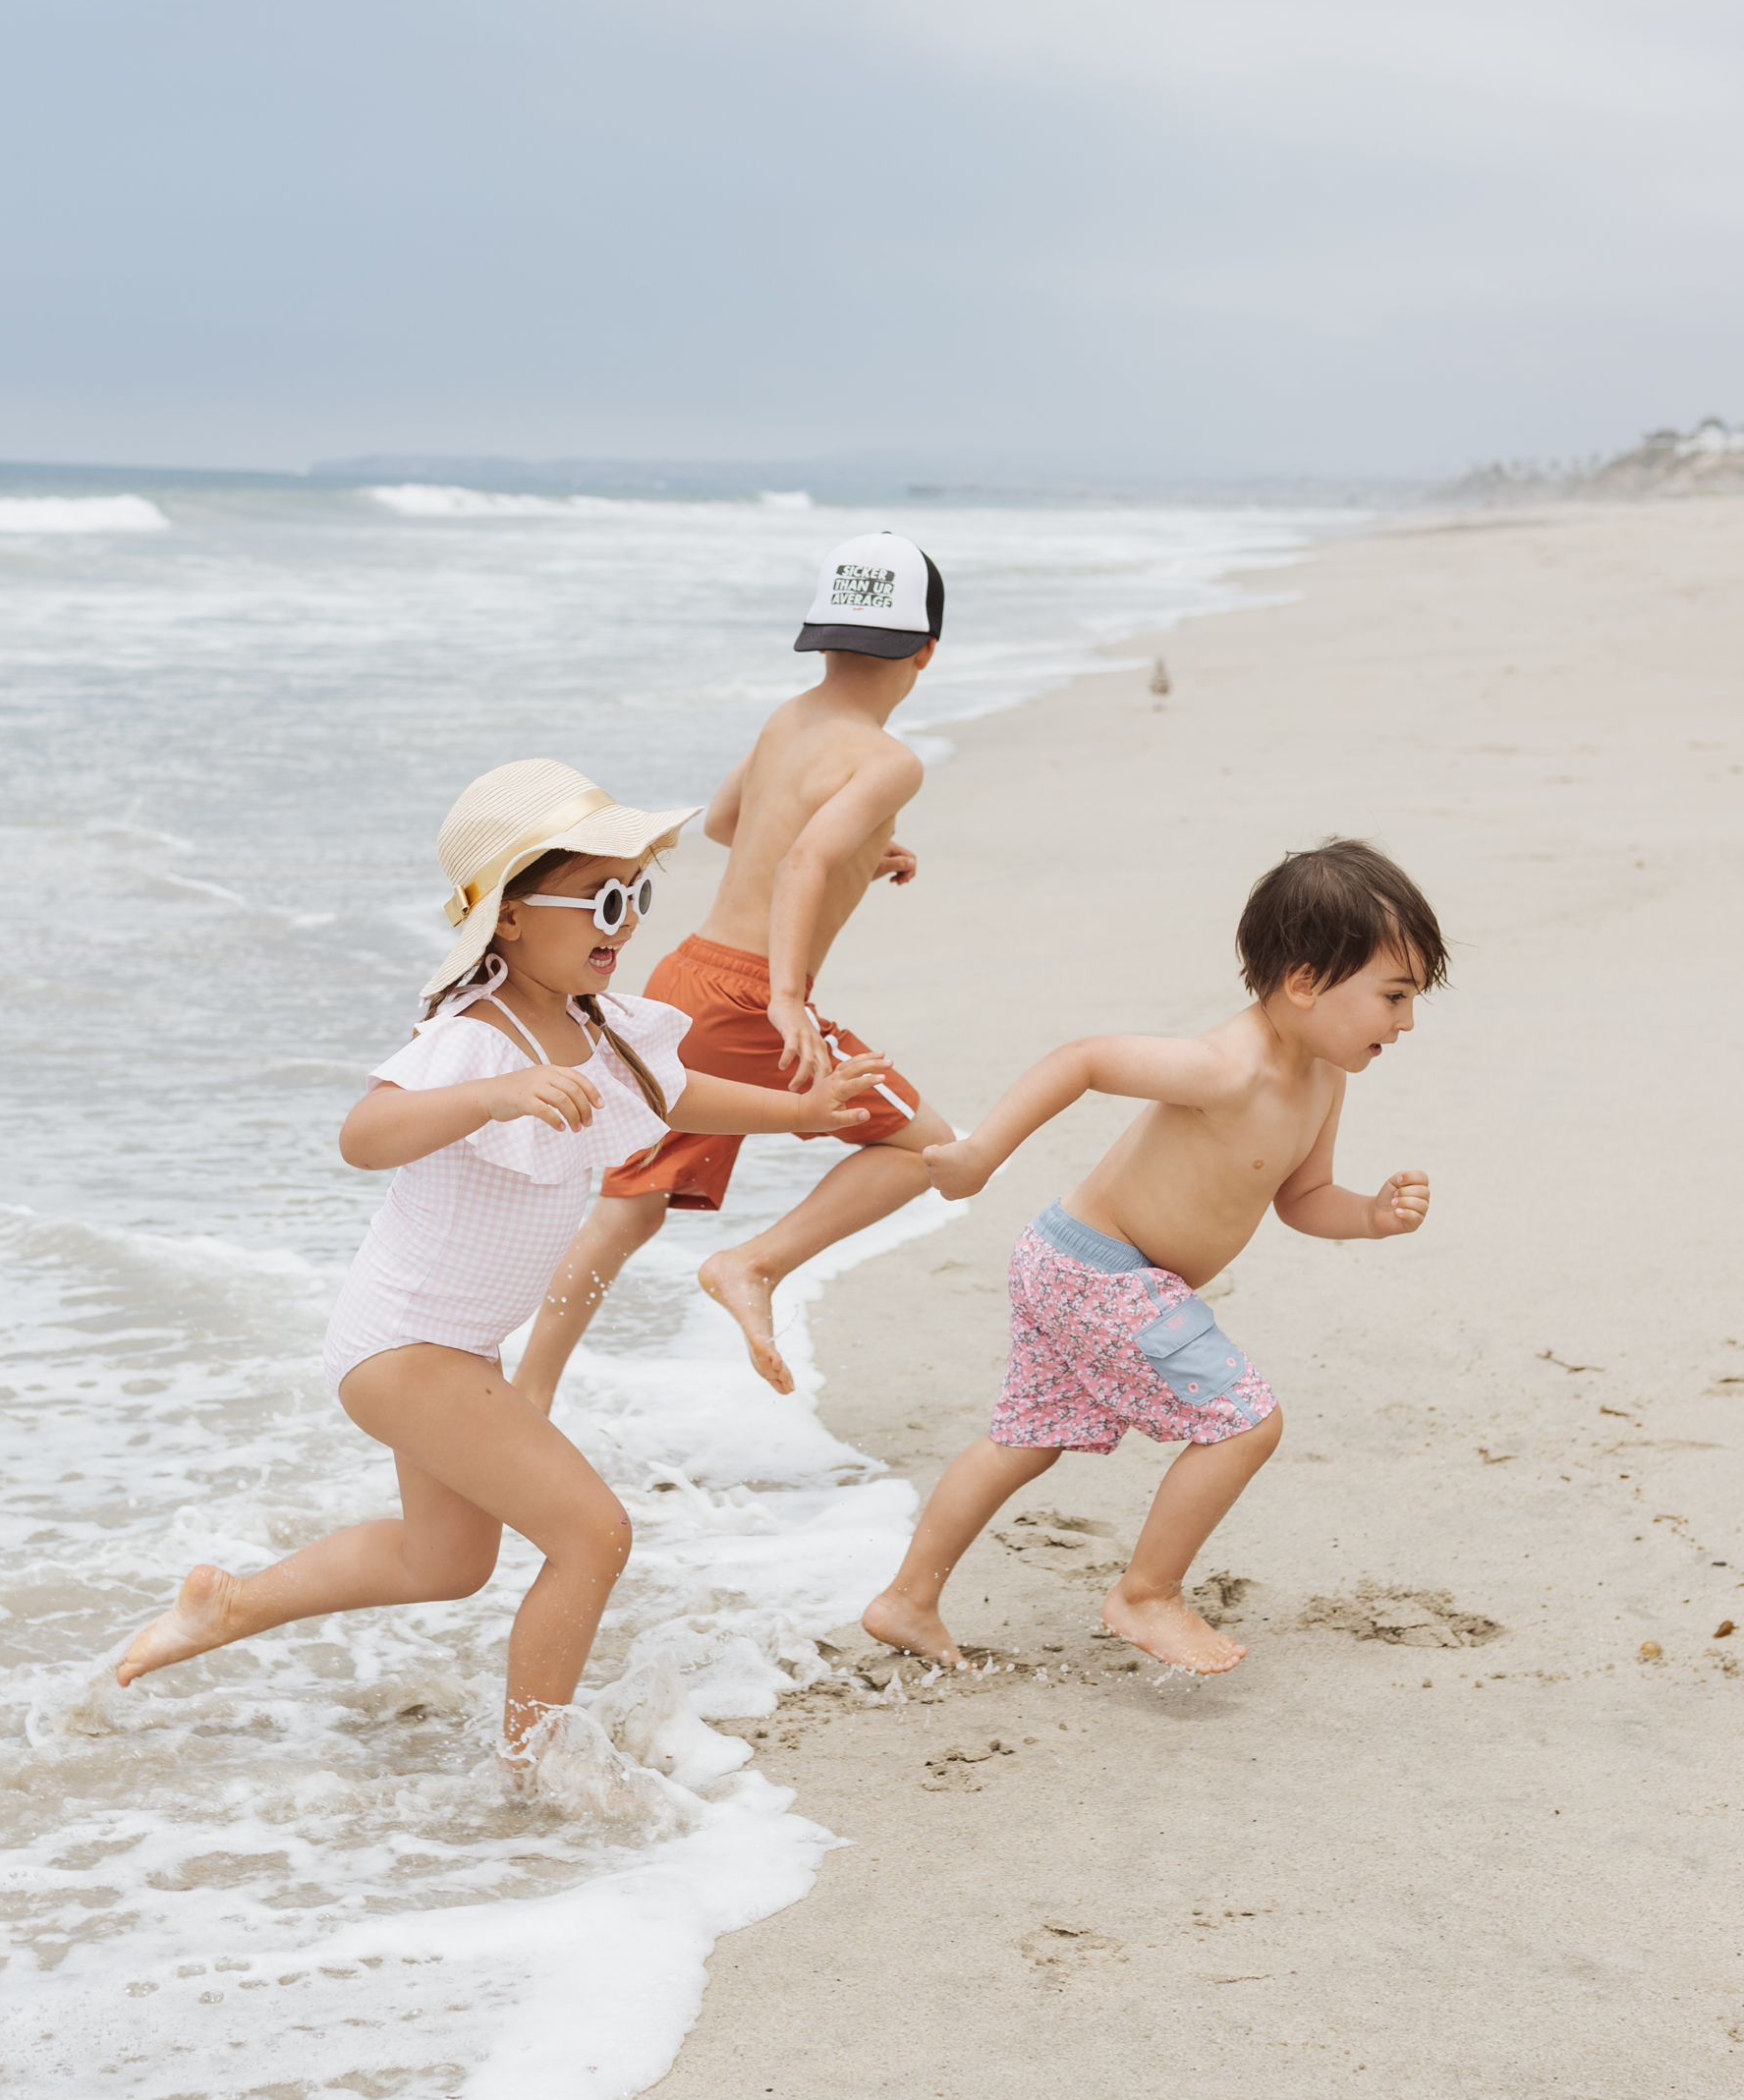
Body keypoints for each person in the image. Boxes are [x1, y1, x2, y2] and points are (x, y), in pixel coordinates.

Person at [115, 759, 885, 1753]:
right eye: (603, 899)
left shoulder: (587, 1023)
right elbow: (363, 1135)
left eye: (637, 895)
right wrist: (488, 1098)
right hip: (403, 1348)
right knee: (592, 1535)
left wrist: (801, 1112)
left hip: (451, 1346)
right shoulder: (475, 1037)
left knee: (444, 1562)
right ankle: (533, 1763)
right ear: (511, 918)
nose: (624, 921)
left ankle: (227, 1606)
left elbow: (671, 1094)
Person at [862, 838, 1447, 1677]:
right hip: (1101, 1271)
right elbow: (1086, 1060)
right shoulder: (1227, 1068)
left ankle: (907, 1601)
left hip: (1073, 1263)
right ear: (1307, 980)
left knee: (1024, 1442)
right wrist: (982, 1151)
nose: (1407, 1021)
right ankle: (1146, 1594)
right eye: (1394, 996)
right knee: (1245, 1422)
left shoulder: (1322, 1079)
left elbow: (1301, 1198)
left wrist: (1372, 1216)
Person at [511, 533, 956, 1410]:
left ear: (820, 638)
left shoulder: (787, 718)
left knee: (631, 1205)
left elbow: (727, 824)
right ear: (927, 650)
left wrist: (857, 851)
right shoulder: (887, 760)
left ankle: (529, 1395)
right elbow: (798, 865)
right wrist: (787, 996)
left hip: (685, 977)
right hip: (751, 994)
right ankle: (752, 1264)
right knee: (934, 1151)